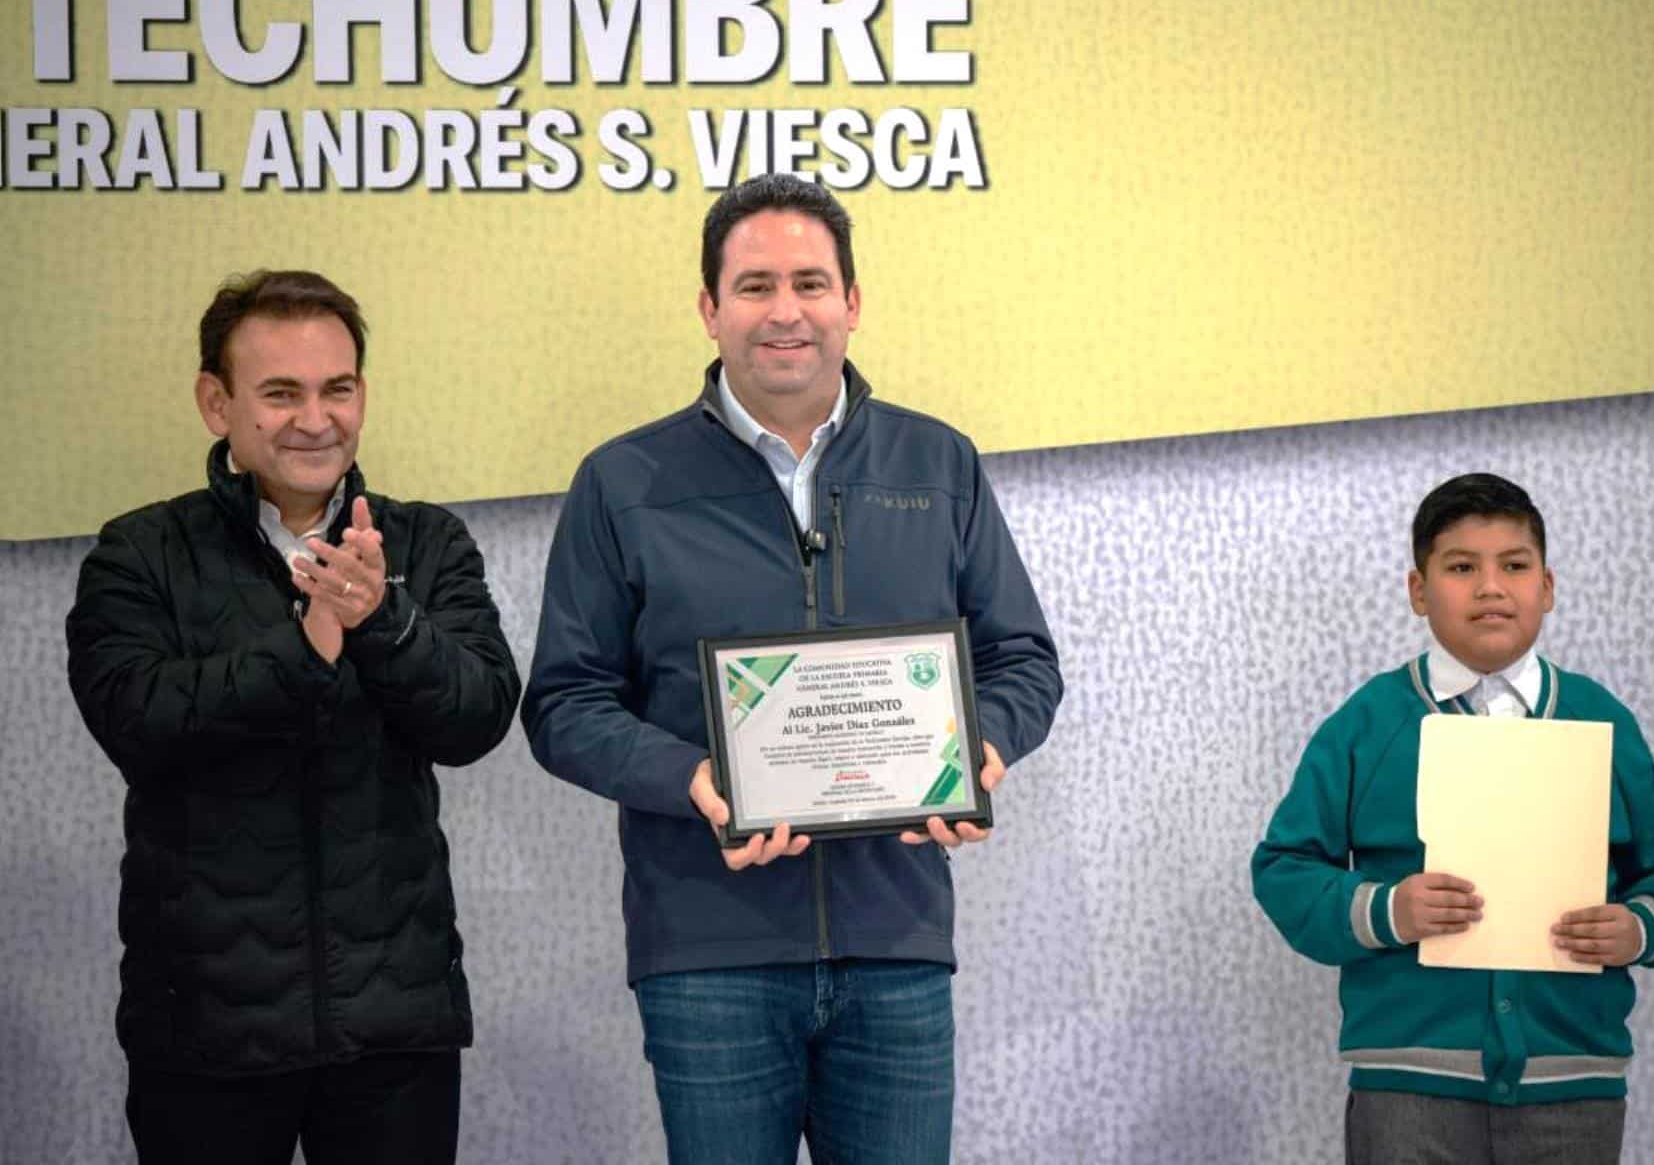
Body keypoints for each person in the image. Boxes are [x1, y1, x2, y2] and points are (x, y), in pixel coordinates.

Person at [522, 174, 1062, 1163]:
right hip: (707, 949)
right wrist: (694, 779)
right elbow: (564, 703)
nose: (786, 311)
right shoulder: (624, 480)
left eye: (811, 283)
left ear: (852, 303)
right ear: (710, 308)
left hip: (894, 939)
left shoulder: (936, 463)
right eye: (756, 285)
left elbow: (1021, 657)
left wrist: (980, 748)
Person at [65, 269, 520, 1164]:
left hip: (396, 1023)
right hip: (204, 1027)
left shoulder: (426, 543)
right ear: (216, 402)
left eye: (337, 389)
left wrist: (381, 621)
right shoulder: (139, 552)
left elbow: (477, 717)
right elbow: (138, 722)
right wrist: (307, 642)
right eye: (280, 393)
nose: (316, 419)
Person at [1250, 472, 1654, 1164]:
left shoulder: (1603, 720)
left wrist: (1639, 927)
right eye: (1462, 567)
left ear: (1546, 587)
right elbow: (1284, 870)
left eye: (1514, 566)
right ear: (1419, 590)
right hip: (1408, 1088)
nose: (1491, 587)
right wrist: (1387, 910)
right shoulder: (1367, 724)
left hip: (1573, 1083)